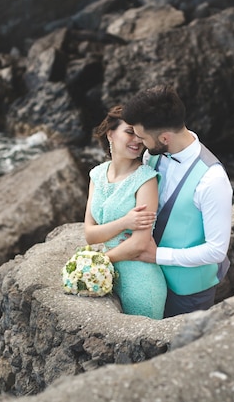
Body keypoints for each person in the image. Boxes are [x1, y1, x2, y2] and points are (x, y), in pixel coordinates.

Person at [121, 85, 233, 318]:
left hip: (188, 292)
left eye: (142, 137)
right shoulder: (151, 154)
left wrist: (158, 255)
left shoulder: (213, 180)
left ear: (164, 137)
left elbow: (216, 251)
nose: (139, 142)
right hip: (148, 278)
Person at [84, 105, 167, 319]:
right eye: (130, 132)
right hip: (109, 277)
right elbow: (90, 234)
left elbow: (139, 243)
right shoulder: (97, 174)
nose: (137, 140)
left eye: (140, 134)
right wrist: (124, 222)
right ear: (110, 133)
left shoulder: (146, 180)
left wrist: (98, 263)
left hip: (141, 283)